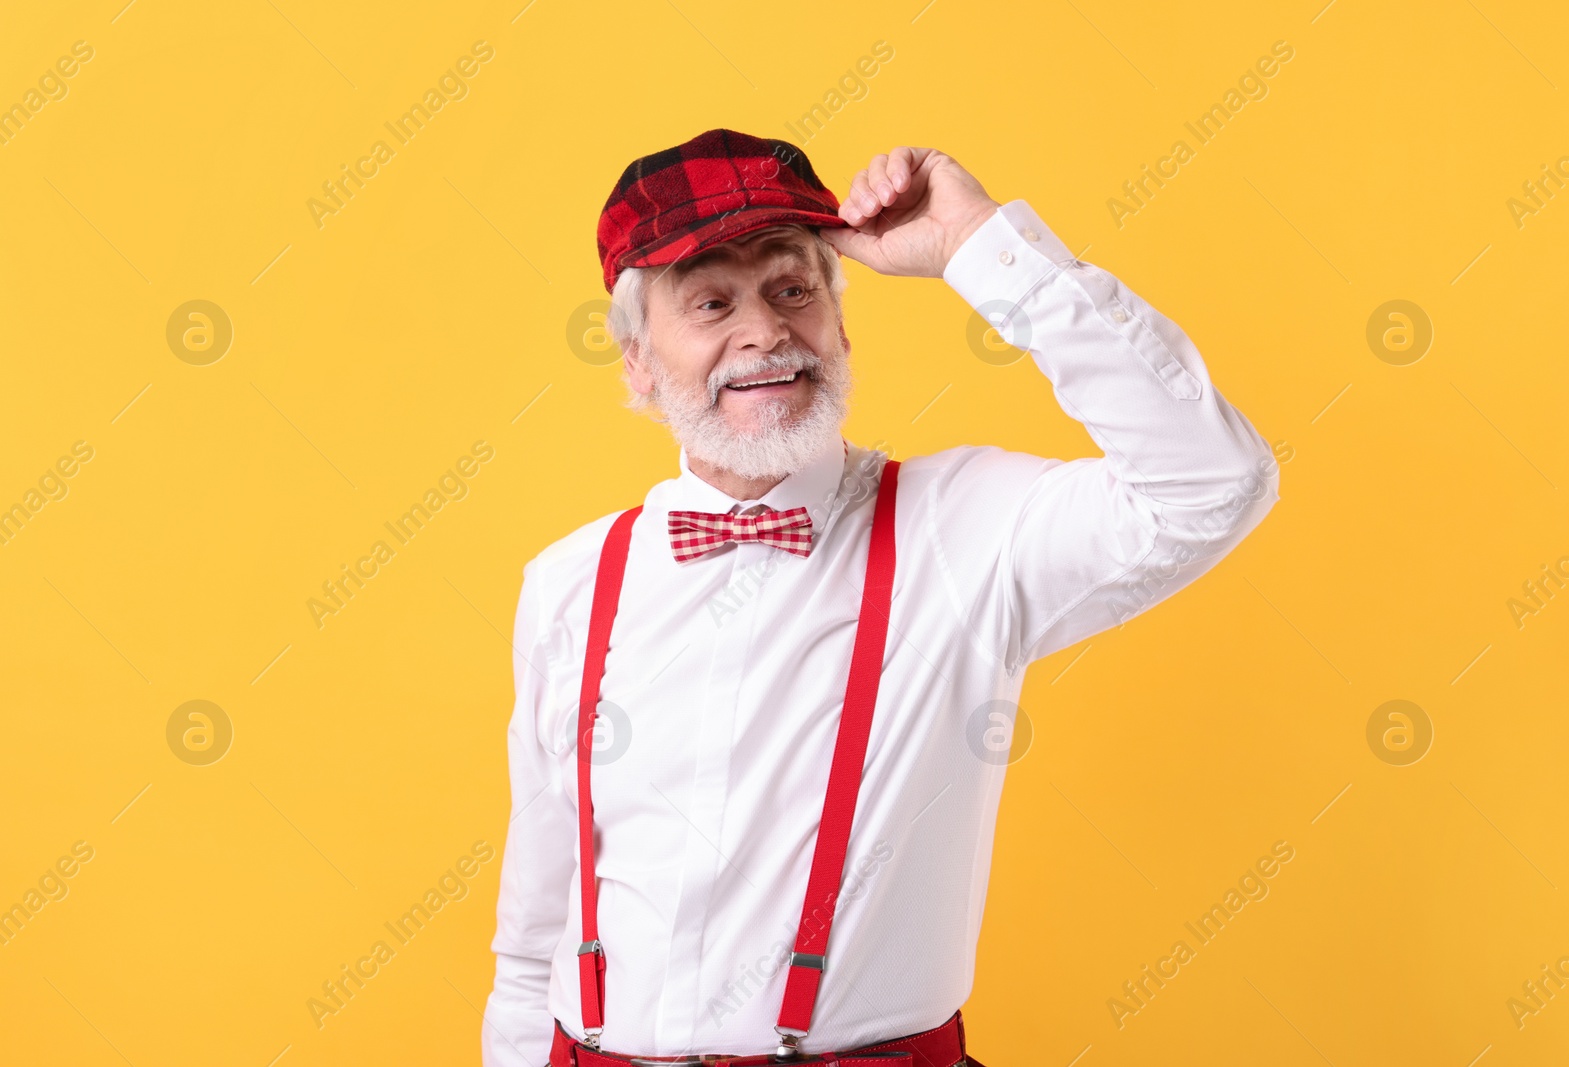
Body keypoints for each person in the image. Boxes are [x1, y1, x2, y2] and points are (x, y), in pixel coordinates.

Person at [483, 128, 1280, 1067]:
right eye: (711, 302)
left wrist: (980, 245)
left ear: (840, 322)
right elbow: (536, 930)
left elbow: (1213, 481)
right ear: (638, 363)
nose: (766, 332)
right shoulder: (569, 582)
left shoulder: (966, 526)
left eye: (793, 289)